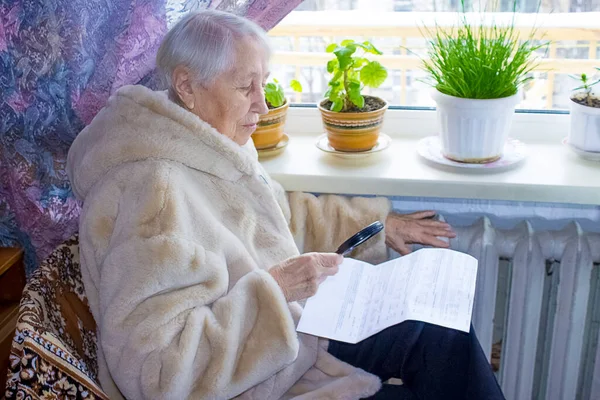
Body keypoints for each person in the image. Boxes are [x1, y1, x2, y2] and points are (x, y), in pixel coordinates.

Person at [66, 10, 504, 400]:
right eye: (245, 87)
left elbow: (274, 218)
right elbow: (156, 374)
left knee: (442, 331)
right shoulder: (153, 192)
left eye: (264, 83)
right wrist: (275, 292)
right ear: (187, 85)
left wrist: (377, 225)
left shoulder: (205, 143)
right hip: (257, 377)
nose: (262, 103)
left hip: (289, 341)